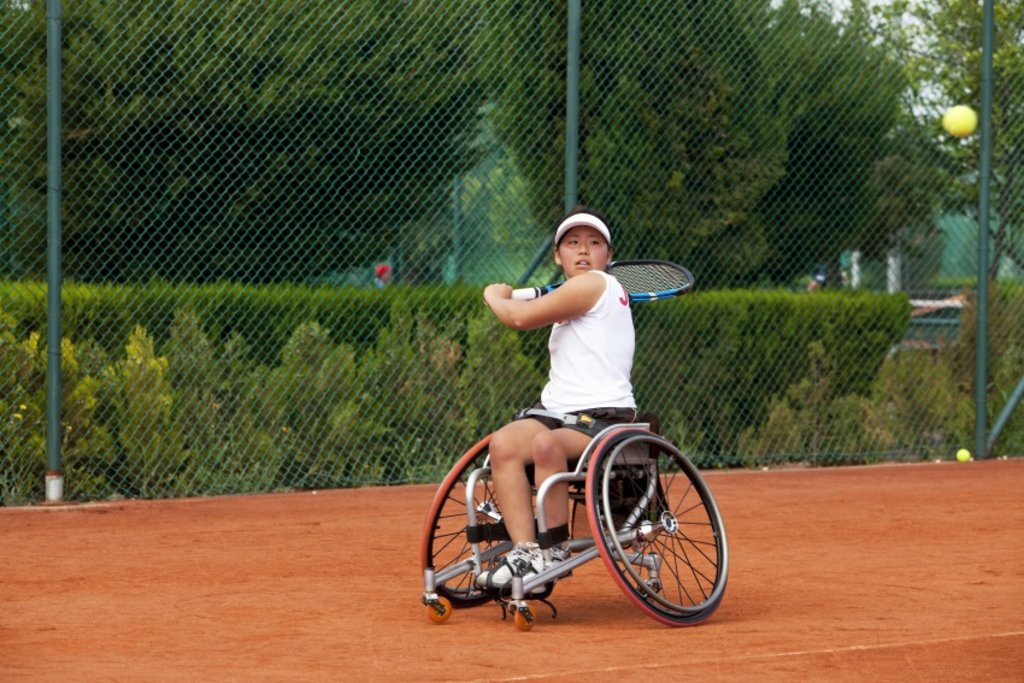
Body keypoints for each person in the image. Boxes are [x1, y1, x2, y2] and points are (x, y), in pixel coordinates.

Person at [477, 206, 637, 592]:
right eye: (573, 243)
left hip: (605, 418)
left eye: (594, 243)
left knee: (546, 444)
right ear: (557, 255)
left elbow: (517, 318)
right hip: (557, 413)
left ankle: (553, 552)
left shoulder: (596, 284)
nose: (583, 251)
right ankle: (526, 552)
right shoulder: (573, 295)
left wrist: (493, 296)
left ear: (607, 257)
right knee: (503, 444)